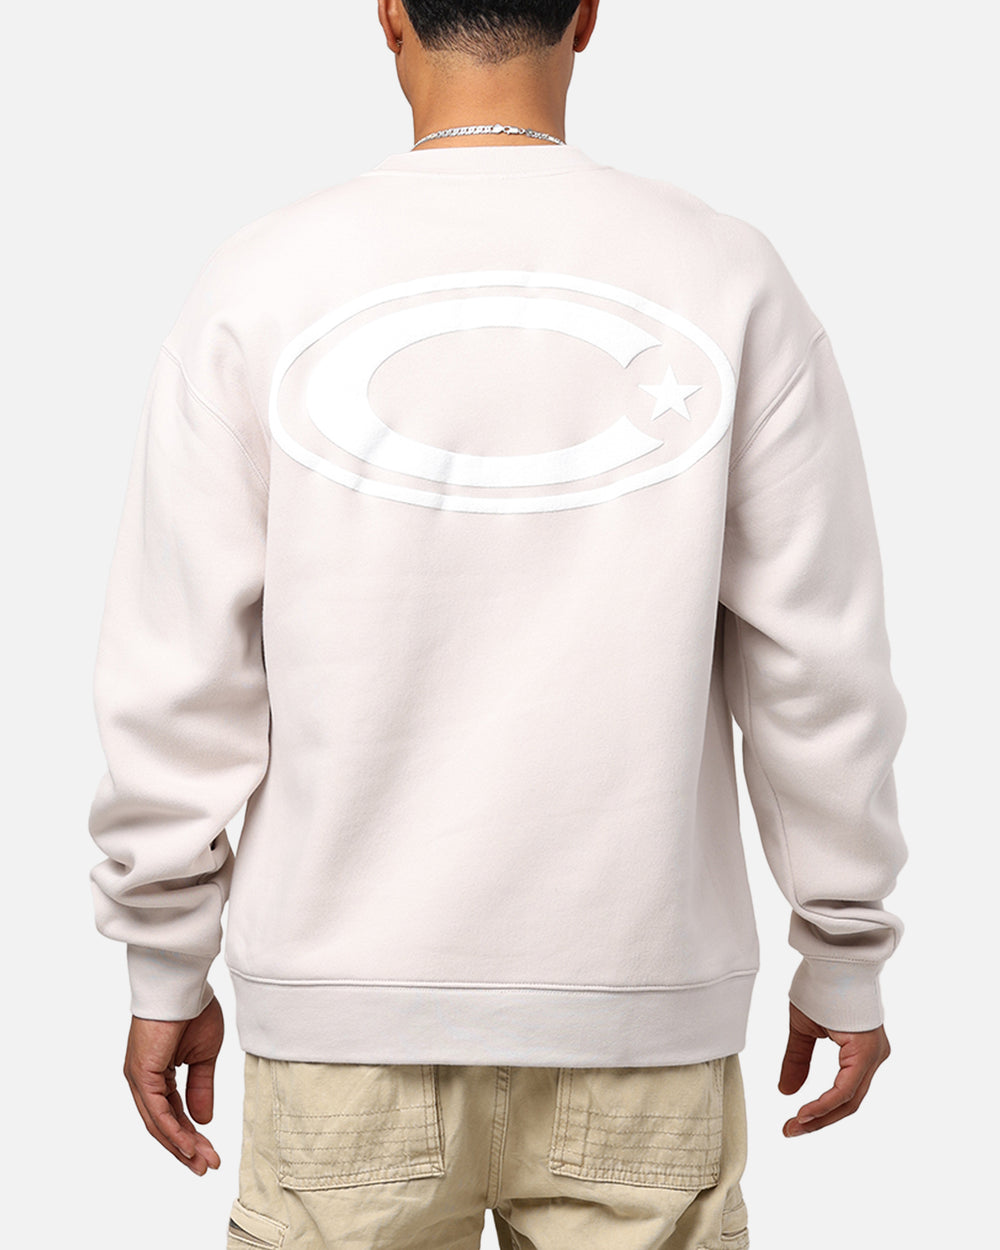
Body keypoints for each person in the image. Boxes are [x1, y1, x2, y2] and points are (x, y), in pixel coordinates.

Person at [86, 2, 908, 1246]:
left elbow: (180, 667)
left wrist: (165, 956)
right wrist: (841, 949)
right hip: (639, 1014)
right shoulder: (727, 275)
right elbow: (815, 663)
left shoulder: (260, 282)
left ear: (389, 16)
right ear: (586, 16)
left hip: (342, 1018)